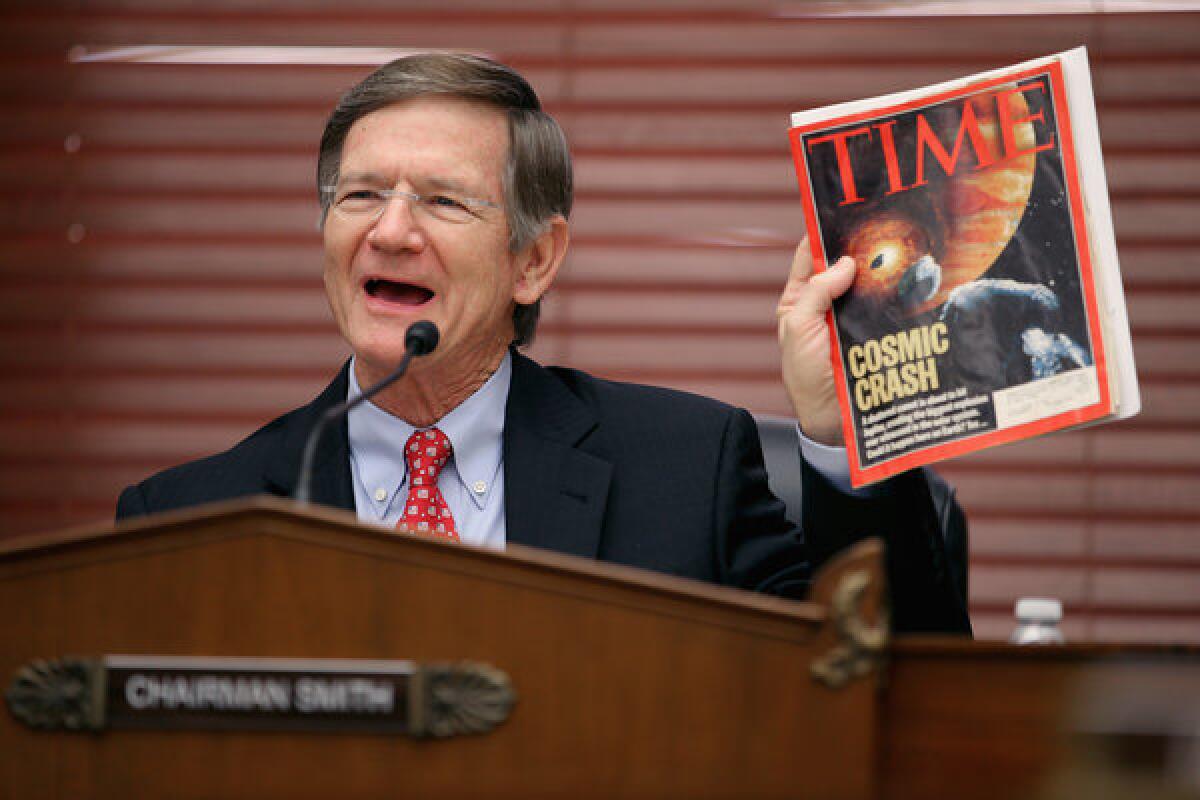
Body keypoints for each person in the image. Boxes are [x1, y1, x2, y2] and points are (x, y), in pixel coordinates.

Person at [116, 53, 970, 635]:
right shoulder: (188, 522)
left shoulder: (686, 468)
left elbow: (885, 702)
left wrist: (842, 424)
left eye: (444, 202)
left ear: (535, 259)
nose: (391, 231)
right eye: (361, 195)